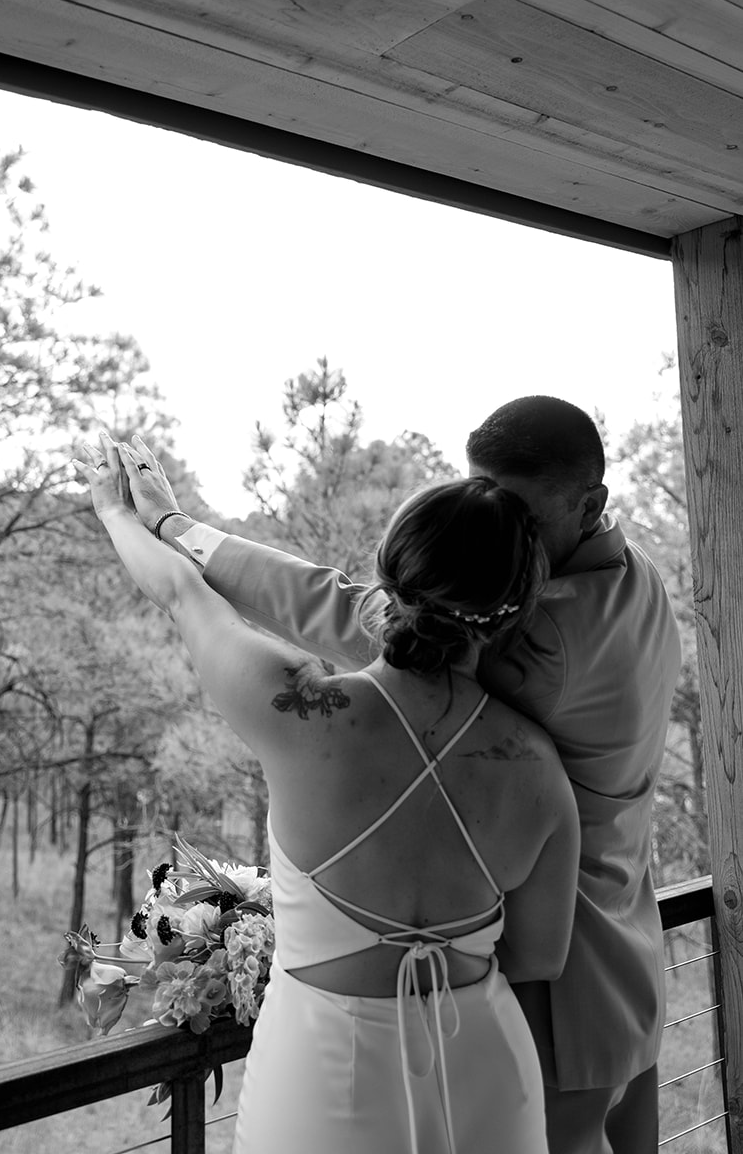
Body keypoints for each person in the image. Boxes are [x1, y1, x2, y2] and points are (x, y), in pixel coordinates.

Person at [123, 396, 681, 1154]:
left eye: (513, 511)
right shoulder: (638, 578)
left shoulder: (537, 632)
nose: (490, 524)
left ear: (591, 502)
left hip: (554, 999)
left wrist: (171, 527)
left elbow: (357, 616)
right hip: (626, 962)